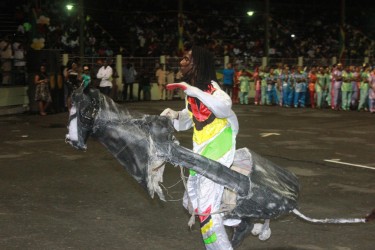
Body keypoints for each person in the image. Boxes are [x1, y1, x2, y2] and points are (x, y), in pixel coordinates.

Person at [160, 45, 241, 250]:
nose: (182, 62)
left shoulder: (213, 89)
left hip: (218, 148)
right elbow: (190, 119)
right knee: (191, 201)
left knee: (206, 209)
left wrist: (193, 90)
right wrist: (175, 115)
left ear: (198, 64)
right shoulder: (192, 94)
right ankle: (230, 213)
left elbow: (223, 108)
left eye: (187, 59)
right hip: (201, 151)